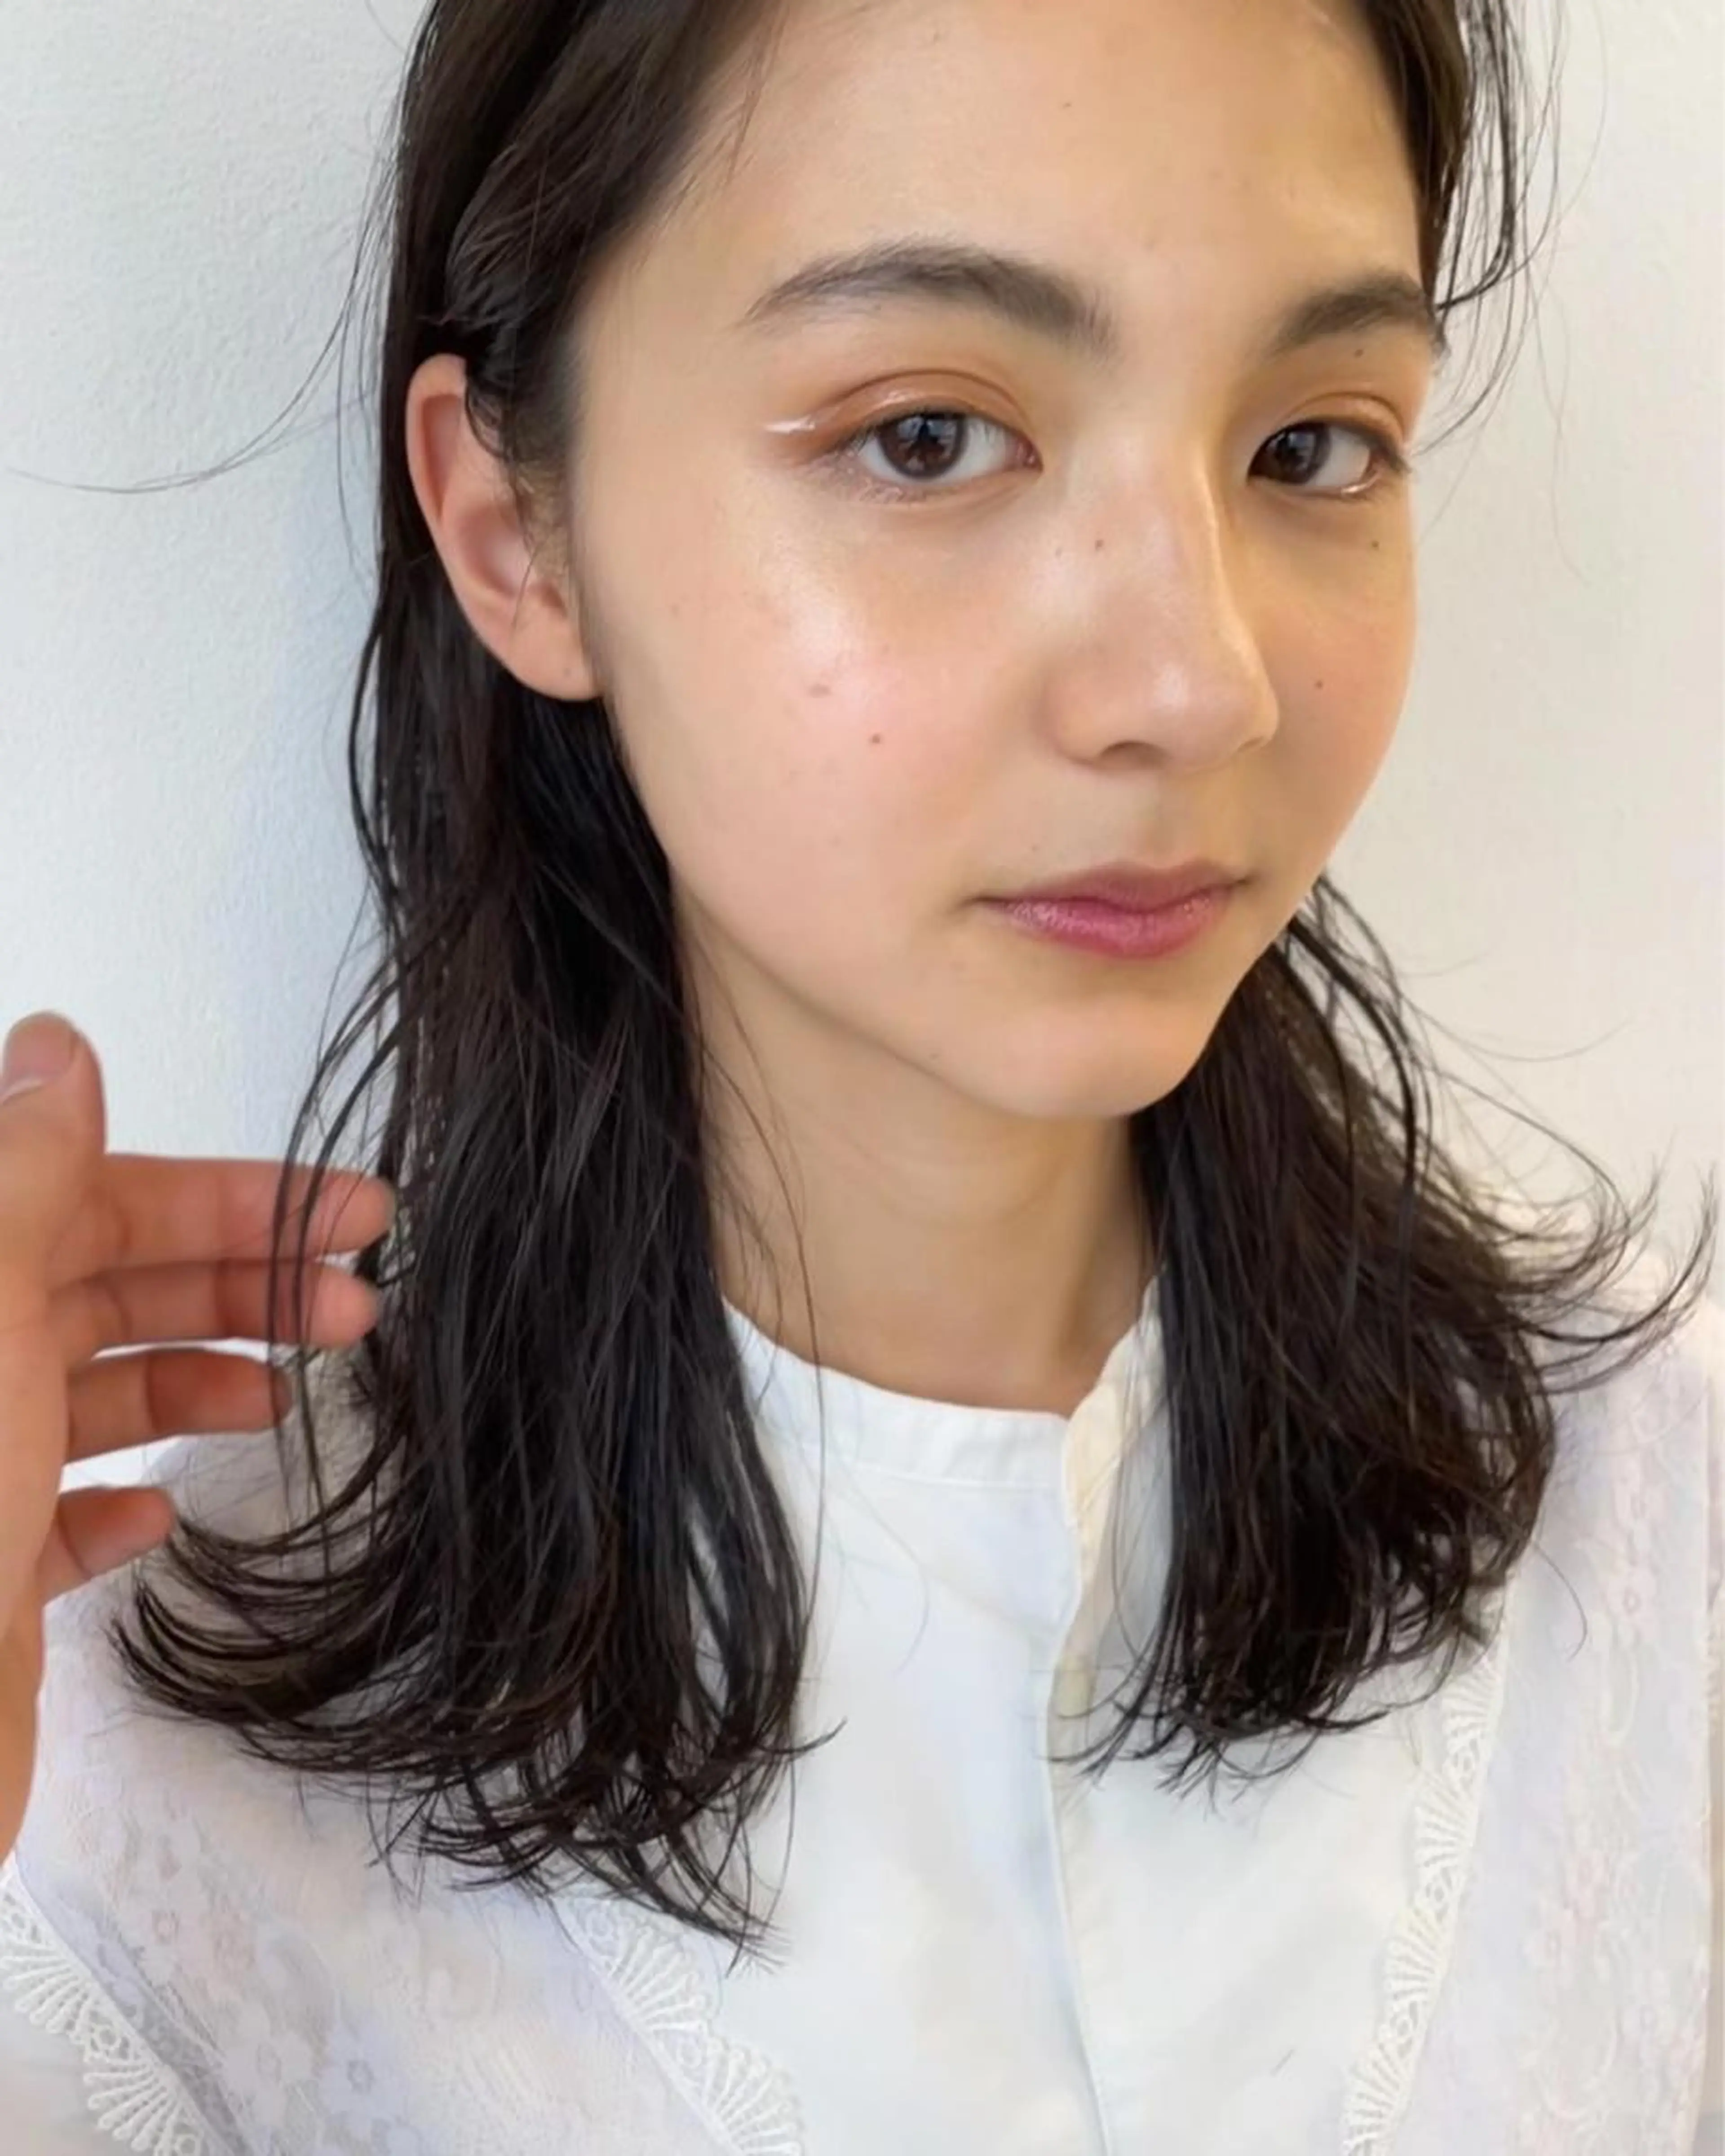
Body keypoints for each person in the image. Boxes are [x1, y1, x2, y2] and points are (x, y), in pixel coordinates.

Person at [0, 0, 1718, 2148]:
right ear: (516, 530)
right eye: (925, 437)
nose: (1199, 683)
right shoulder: (128, 1764)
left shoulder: (1661, 1529)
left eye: (1309, 446)